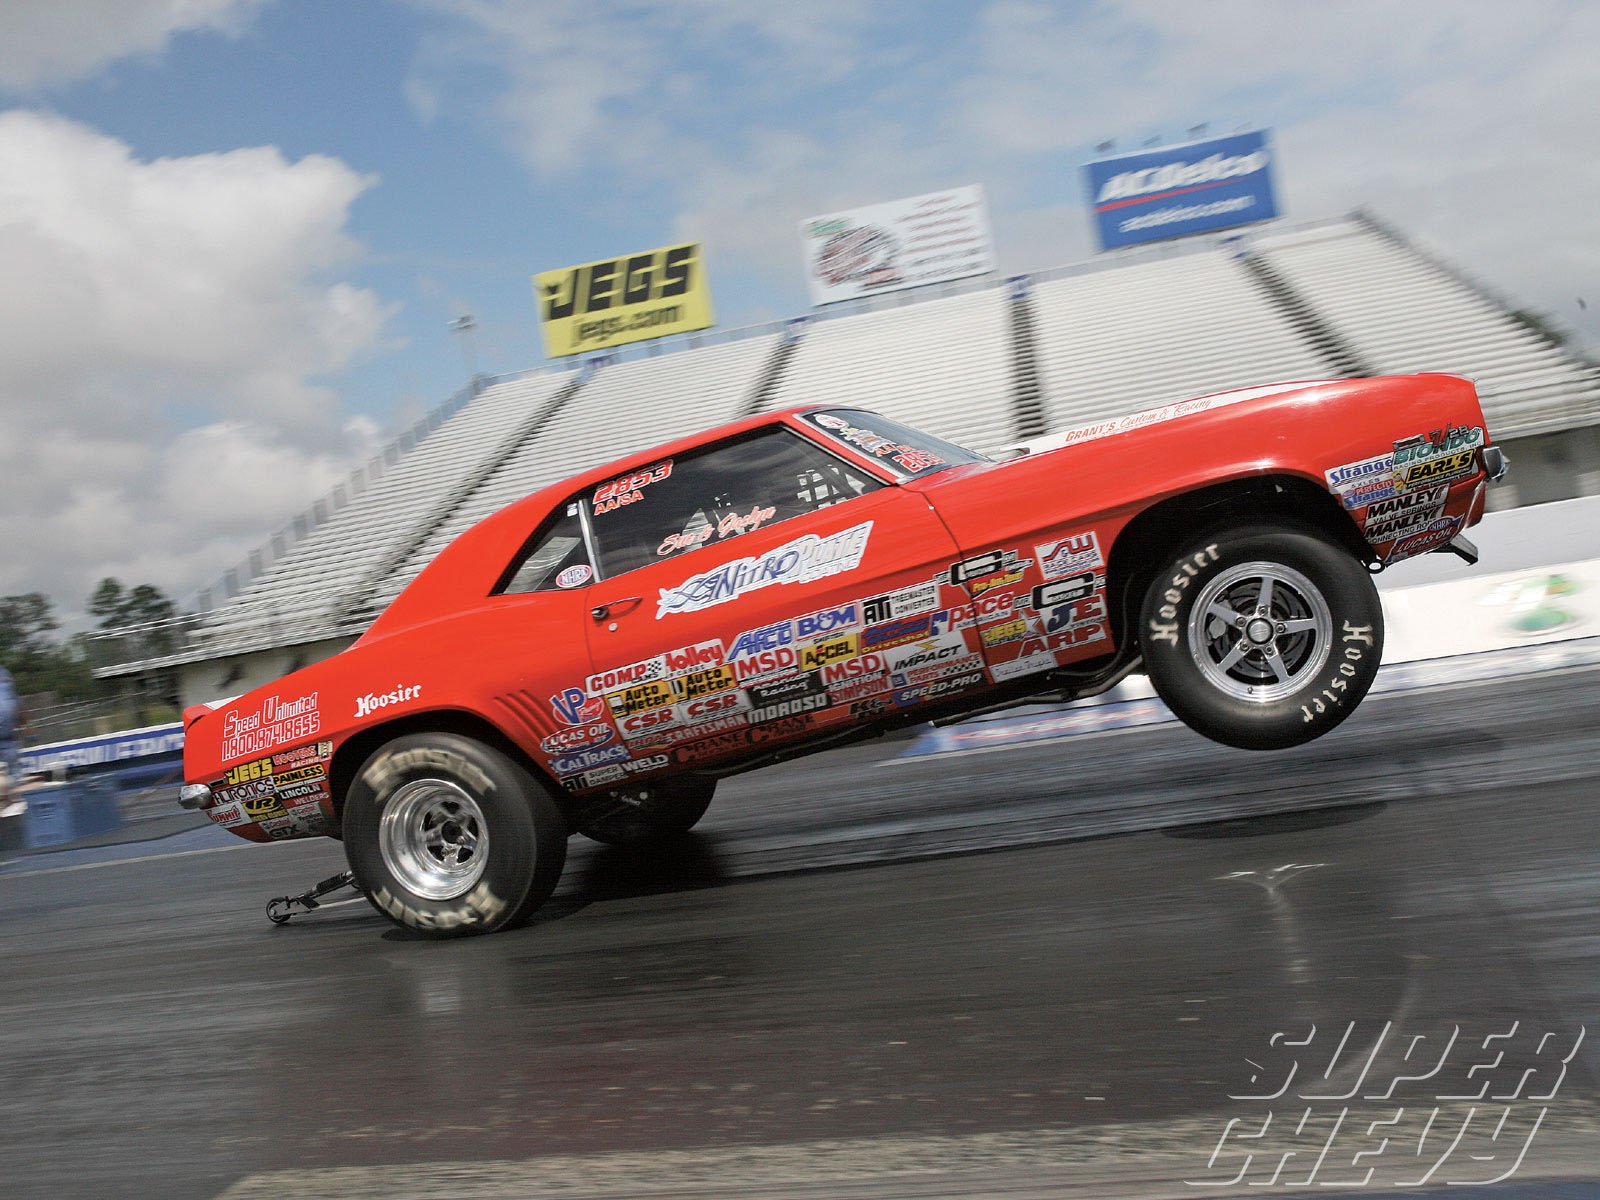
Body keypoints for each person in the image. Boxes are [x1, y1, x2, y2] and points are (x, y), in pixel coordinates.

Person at [0, 664, 21, 780]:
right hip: (9, 742)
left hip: (8, 743)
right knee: (14, 778)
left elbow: (16, 705)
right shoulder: (4, 674)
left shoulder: (3, 674)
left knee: (14, 778)